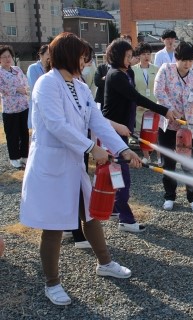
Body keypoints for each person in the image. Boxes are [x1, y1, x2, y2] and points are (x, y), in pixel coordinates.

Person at [19, 32, 143, 306]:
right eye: (84, 58)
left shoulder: (79, 86)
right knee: (53, 226)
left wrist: (122, 149)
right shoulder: (46, 84)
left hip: (73, 164)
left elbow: (98, 122)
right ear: (69, 56)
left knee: (91, 214)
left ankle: (105, 263)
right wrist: (91, 149)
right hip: (52, 165)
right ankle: (52, 283)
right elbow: (56, 124)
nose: (87, 63)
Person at [102, 38, 179, 232]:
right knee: (122, 177)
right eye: (128, 56)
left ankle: (114, 209)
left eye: (131, 56)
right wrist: (164, 110)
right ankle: (125, 220)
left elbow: (133, 100)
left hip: (120, 132)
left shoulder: (124, 73)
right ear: (118, 56)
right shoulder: (116, 76)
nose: (131, 60)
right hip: (112, 133)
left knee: (116, 174)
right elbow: (136, 98)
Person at [154, 41, 193, 212]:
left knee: (189, 163)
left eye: (191, 61)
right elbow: (158, 91)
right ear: (176, 58)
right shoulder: (165, 69)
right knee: (168, 163)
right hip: (168, 126)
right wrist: (170, 109)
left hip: (188, 128)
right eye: (184, 60)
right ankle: (169, 196)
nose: (187, 64)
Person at [131, 42, 162, 165]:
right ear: (139, 55)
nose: (146, 56)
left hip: (154, 105)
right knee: (142, 132)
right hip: (140, 107)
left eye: (148, 54)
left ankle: (160, 157)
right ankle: (146, 156)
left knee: (157, 133)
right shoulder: (133, 70)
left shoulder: (156, 69)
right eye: (143, 54)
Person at [0, 45, 29, 168]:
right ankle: (14, 158)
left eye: (9, 56)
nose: (7, 59)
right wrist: (16, 89)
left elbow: (25, 82)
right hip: (10, 109)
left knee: (24, 132)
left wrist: (23, 89)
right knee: (12, 134)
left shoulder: (17, 69)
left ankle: (24, 156)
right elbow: (2, 88)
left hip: (23, 106)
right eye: (4, 57)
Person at [27, 44, 50, 128]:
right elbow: (34, 86)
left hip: (49, 103)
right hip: (38, 102)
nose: (50, 56)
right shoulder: (33, 68)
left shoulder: (52, 68)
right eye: (48, 54)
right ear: (41, 55)